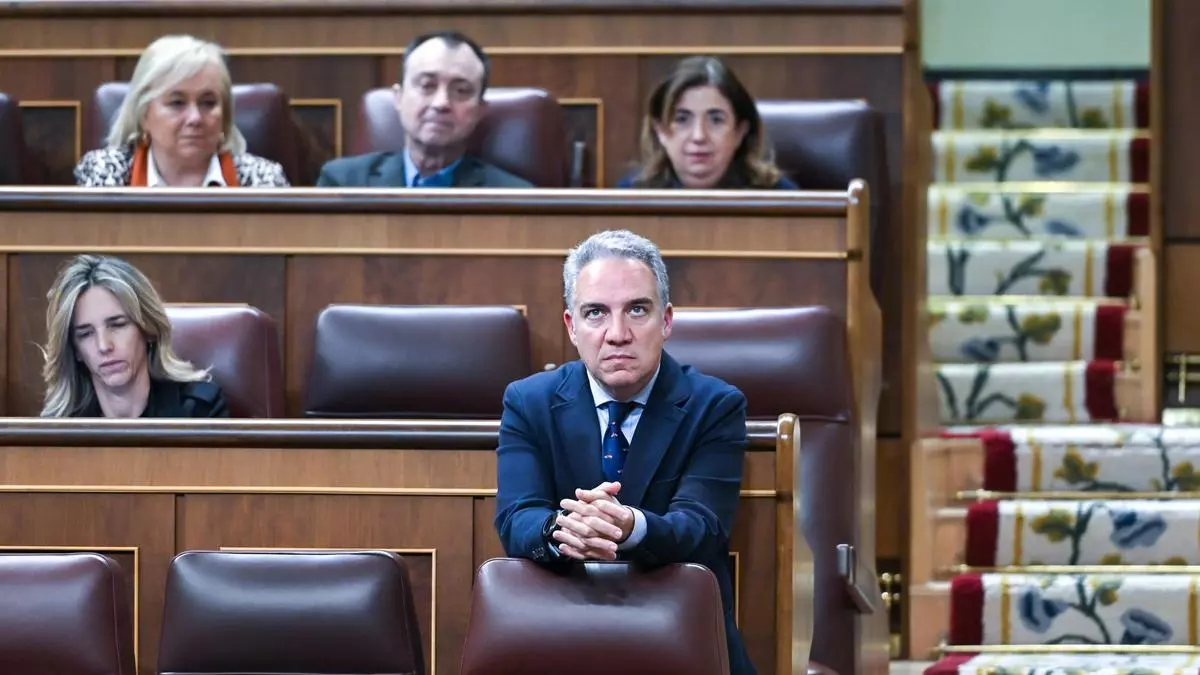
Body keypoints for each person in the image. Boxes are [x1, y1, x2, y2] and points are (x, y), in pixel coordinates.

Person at [494, 230, 756, 675]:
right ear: (571, 326)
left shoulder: (715, 405)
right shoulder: (528, 401)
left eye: (637, 309)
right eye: (595, 313)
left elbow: (702, 527)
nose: (617, 334)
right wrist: (565, 529)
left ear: (666, 321)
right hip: (559, 636)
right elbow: (516, 518)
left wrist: (630, 526)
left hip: (680, 641)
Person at [316, 31, 532, 188]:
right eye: (427, 86)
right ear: (399, 98)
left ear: (480, 111)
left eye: (461, 91)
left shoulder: (513, 196)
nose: (441, 103)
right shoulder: (342, 183)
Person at [73, 35, 290, 188]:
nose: (195, 118)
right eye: (177, 103)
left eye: (208, 103)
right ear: (144, 114)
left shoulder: (263, 181)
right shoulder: (105, 175)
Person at [40, 254, 229, 418]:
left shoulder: (198, 410)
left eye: (118, 325)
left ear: (148, 330)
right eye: (86, 334)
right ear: (75, 350)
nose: (104, 346)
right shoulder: (57, 427)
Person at [618, 55, 796, 190]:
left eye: (716, 120)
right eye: (682, 119)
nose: (699, 136)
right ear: (660, 131)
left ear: (740, 132)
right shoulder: (631, 196)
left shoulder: (778, 196)